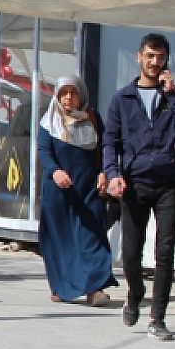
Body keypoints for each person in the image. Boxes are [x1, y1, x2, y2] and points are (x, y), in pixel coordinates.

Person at [103, 33, 175, 340]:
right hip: (135, 183)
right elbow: (111, 142)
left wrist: (173, 96)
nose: (155, 62)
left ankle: (158, 317)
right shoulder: (122, 99)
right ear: (139, 57)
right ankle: (135, 292)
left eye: (160, 57)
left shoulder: (174, 96)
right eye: (150, 56)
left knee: (165, 251)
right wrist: (113, 173)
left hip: (168, 182)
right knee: (130, 253)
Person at [37, 76, 115, 305]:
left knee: (92, 236)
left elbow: (104, 148)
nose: (69, 98)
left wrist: (104, 172)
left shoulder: (92, 118)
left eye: (74, 92)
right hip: (59, 190)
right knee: (61, 240)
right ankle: (62, 286)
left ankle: (95, 288)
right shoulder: (49, 121)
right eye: (64, 93)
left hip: (89, 187)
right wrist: (55, 172)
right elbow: (44, 151)